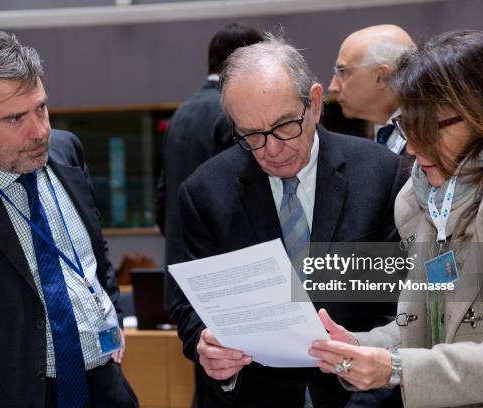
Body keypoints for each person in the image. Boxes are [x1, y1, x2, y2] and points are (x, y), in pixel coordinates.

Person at [170, 35, 406, 408]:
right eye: (251, 135)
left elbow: (402, 302)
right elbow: (188, 305)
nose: (272, 149)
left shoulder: (380, 175)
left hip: (363, 398)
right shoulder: (205, 193)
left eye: (284, 126)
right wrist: (207, 344)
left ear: (313, 103)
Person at [309, 30, 483, 407]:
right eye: (406, 128)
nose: (413, 148)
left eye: (427, 128)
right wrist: (360, 346)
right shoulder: (429, 200)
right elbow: (428, 326)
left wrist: (398, 369)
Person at [0, 31, 139, 408]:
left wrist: (112, 314)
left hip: (108, 383)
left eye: (41, 108)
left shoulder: (66, 149)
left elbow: (94, 252)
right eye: (14, 119)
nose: (40, 131)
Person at [155, 22, 263, 308]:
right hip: (223, 274)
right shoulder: (234, 113)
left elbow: (162, 197)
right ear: (246, 59)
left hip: (182, 270)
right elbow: (238, 195)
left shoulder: (181, 112)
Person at [328, 25, 415, 155]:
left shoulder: (428, 139)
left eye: (343, 72)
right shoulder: (381, 134)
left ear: (382, 77)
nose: (332, 87)